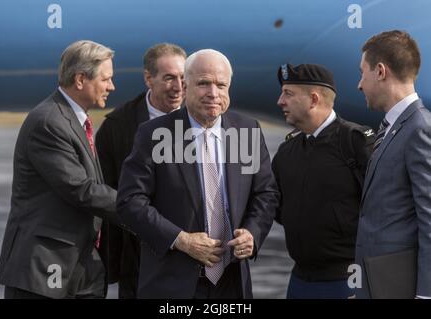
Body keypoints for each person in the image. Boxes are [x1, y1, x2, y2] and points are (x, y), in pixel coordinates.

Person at [116, 49, 279, 298]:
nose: (213, 93)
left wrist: (252, 233)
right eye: (204, 83)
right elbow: (130, 202)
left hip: (231, 283)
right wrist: (181, 240)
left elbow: (265, 193)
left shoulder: (247, 130)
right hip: (173, 283)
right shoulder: (154, 134)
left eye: (221, 85)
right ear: (185, 85)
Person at [0, 40, 123, 299]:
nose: (112, 86)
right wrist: (139, 208)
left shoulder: (75, 119)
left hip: (80, 266)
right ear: (80, 80)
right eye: (106, 79)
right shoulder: (49, 122)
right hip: (44, 271)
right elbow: (81, 189)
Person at [271, 63, 374, 298]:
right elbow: (276, 207)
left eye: (288, 93)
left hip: (346, 281)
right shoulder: (287, 152)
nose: (280, 101)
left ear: (314, 99)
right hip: (299, 280)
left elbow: (385, 207)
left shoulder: (355, 143)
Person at [95, 43, 186, 299]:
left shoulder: (205, 116)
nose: (178, 87)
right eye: (169, 78)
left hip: (195, 258)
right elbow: (106, 191)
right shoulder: (117, 127)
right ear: (148, 78)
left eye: (183, 77)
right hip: (138, 260)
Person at [355, 30, 431, 299]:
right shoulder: (394, 127)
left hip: (397, 286)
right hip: (378, 283)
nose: (359, 84)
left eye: (362, 73)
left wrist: (425, 294)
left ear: (380, 71)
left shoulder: (419, 128)